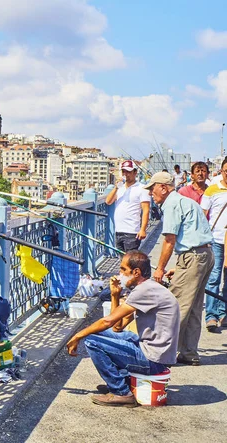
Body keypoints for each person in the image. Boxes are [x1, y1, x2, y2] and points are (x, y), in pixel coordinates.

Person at [66, 251, 179, 407]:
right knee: (108, 334)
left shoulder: (143, 291)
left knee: (92, 341)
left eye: (123, 270)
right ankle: (123, 381)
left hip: (154, 360)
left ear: (136, 272)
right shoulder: (149, 288)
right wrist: (115, 295)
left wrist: (78, 335)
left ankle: (121, 392)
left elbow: (108, 321)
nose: (120, 274)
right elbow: (118, 327)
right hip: (157, 355)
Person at [145, 171, 213, 366]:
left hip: (193, 257)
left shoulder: (172, 204)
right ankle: (188, 352)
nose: (151, 193)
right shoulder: (186, 201)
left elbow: (169, 240)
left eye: (153, 188)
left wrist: (160, 268)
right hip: (204, 255)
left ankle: (160, 354)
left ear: (163, 188)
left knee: (174, 305)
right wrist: (181, 266)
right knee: (193, 307)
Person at [200, 159, 227, 332]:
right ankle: (211, 315)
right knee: (213, 278)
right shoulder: (213, 189)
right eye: (226, 170)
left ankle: (224, 313)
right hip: (216, 240)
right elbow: (203, 215)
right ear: (222, 171)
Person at [105, 160, 150, 252]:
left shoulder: (141, 188)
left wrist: (143, 230)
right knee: (123, 262)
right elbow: (108, 201)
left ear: (135, 172)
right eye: (124, 171)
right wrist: (116, 187)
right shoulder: (120, 188)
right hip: (118, 230)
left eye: (129, 172)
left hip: (132, 232)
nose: (126, 174)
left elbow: (146, 210)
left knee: (130, 262)